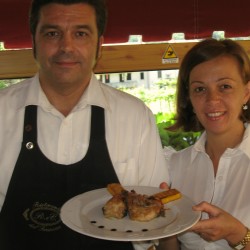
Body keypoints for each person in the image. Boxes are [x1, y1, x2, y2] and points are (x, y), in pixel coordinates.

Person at [0, 0, 169, 249]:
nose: (66, 46)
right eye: (52, 33)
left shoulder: (135, 116)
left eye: (80, 33)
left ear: (99, 44)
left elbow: (152, 226)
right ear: (34, 41)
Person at [160, 38, 250, 250]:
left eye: (224, 86)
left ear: (246, 93)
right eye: (200, 89)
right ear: (189, 98)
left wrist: (237, 234)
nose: (212, 100)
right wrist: (165, 225)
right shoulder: (174, 166)